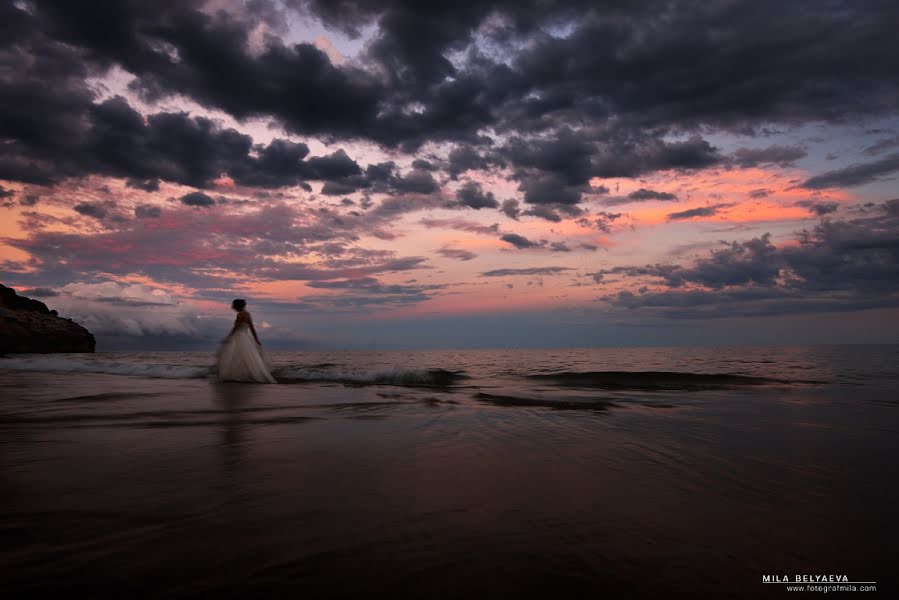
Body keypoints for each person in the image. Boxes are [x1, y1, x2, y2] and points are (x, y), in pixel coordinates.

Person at [216, 299, 276, 383]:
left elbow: (235, 328)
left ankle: (236, 376)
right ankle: (248, 375)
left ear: (238, 306)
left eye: (234, 306)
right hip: (246, 337)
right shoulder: (248, 314)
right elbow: (252, 328)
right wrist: (256, 339)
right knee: (246, 358)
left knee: (234, 357)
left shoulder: (240, 314)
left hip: (238, 337)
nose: (233, 308)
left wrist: (228, 337)